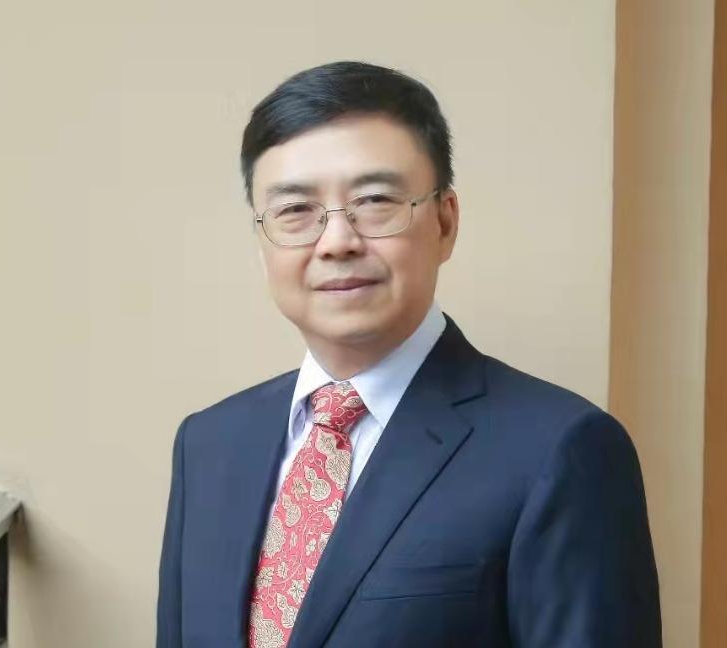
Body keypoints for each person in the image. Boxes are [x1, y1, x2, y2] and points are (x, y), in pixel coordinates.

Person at [156, 61, 661, 648]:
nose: (337, 242)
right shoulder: (208, 444)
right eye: (295, 211)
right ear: (262, 240)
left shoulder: (561, 449)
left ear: (445, 222)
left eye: (375, 201)